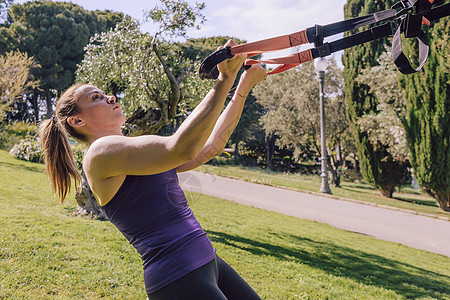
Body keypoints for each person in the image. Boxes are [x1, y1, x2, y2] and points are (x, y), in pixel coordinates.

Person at [39, 39, 267, 299]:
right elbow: (179, 148)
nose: (110, 97)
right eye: (96, 98)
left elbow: (211, 146)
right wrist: (225, 78)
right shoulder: (100, 154)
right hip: (178, 278)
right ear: (77, 120)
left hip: (206, 260)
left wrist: (242, 87)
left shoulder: (131, 151)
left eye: (103, 93)